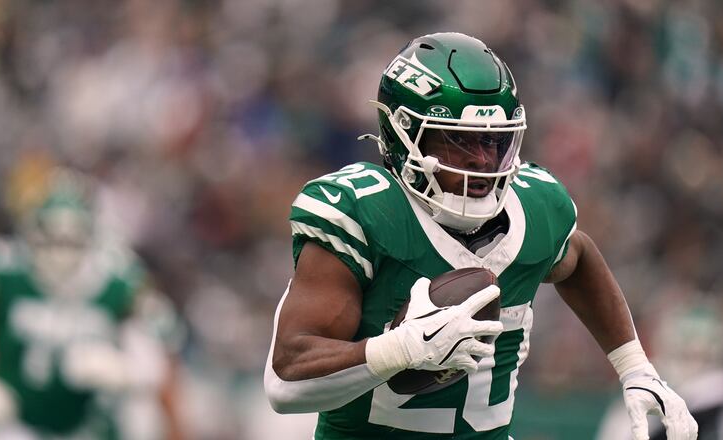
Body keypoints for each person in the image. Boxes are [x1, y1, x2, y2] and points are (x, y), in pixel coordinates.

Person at [264, 32, 698, 439]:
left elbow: (578, 257)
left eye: (493, 143)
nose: (481, 164)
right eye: (459, 142)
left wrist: (635, 367)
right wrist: (397, 350)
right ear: (402, 135)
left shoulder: (536, 208)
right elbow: (285, 385)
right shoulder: (365, 214)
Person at [0, 168, 185, 440]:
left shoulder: (117, 281)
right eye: (51, 240)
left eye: (70, 242)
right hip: (12, 428)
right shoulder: (3, 271)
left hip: (87, 427)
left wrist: (127, 371)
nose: (60, 254)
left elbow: (166, 344)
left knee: (140, 414)